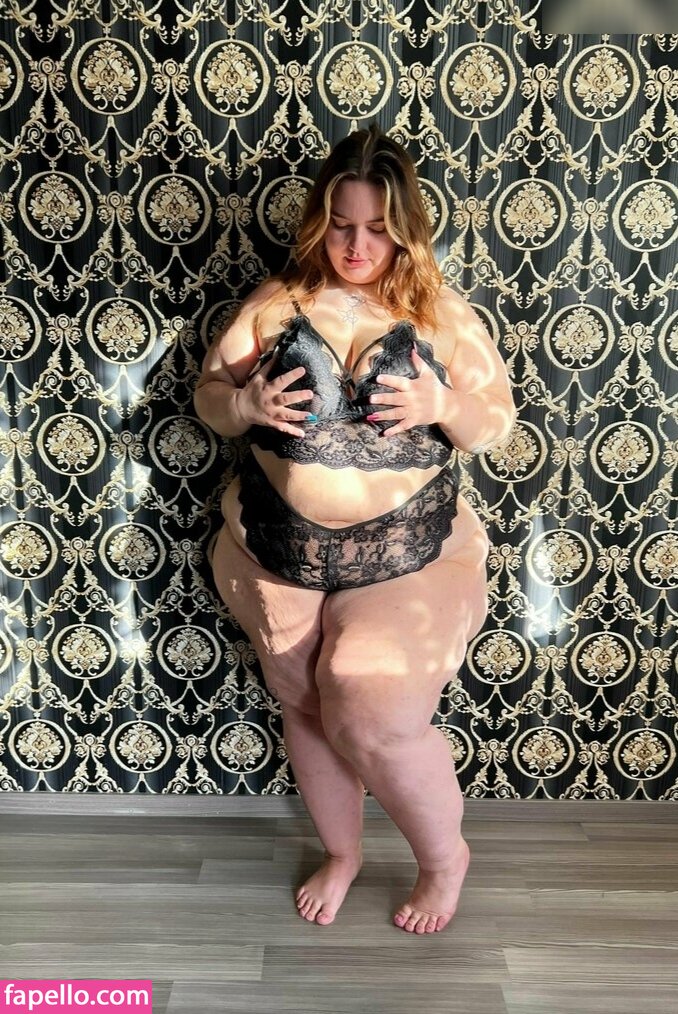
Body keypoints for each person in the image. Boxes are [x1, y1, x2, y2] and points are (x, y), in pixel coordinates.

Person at [194, 123, 516, 934]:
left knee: (371, 710)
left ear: (405, 228)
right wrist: (243, 403)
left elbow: (497, 421)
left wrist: (444, 404)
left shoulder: (441, 312)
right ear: (320, 220)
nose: (357, 245)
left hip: (406, 554)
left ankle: (443, 861)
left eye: (377, 227)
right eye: (342, 224)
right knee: (306, 703)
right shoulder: (276, 303)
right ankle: (343, 853)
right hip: (277, 552)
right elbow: (209, 396)